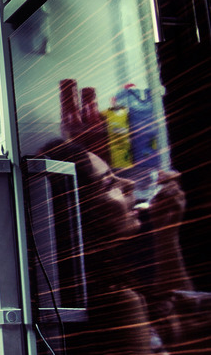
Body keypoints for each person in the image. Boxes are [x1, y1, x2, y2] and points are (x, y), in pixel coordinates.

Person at [39, 139, 197, 354]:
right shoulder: (118, 303)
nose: (129, 184)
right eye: (108, 184)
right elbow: (190, 336)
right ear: (82, 211)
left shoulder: (96, 284)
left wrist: (166, 233)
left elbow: (184, 321)